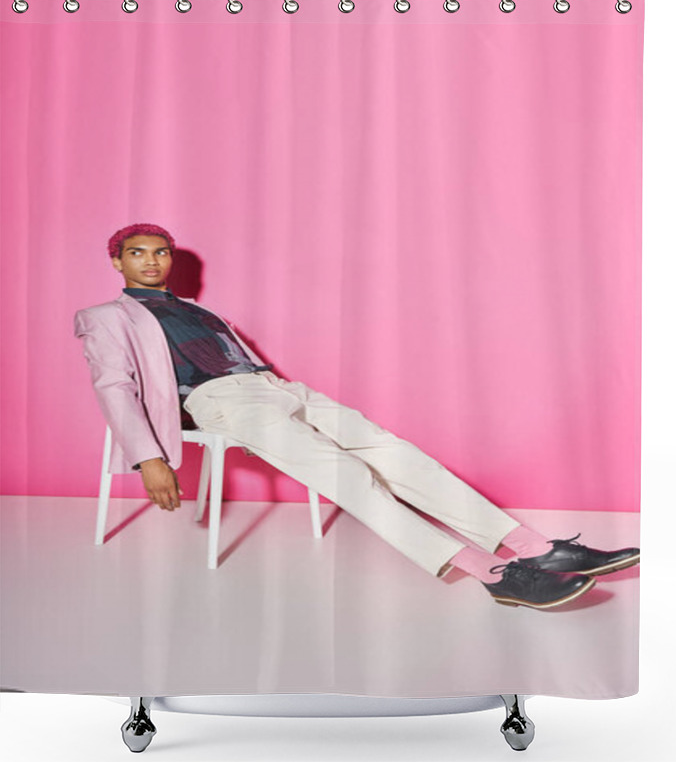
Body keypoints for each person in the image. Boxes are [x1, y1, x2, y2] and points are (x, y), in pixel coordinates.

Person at [74, 223, 640, 611]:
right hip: (220, 402)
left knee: (396, 454)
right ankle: (491, 574)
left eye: (160, 251)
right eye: (137, 253)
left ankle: (532, 546)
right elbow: (114, 385)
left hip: (275, 388)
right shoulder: (104, 317)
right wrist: (149, 458)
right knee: (347, 474)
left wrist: (275, 388)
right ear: (117, 261)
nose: (151, 260)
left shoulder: (195, 307)